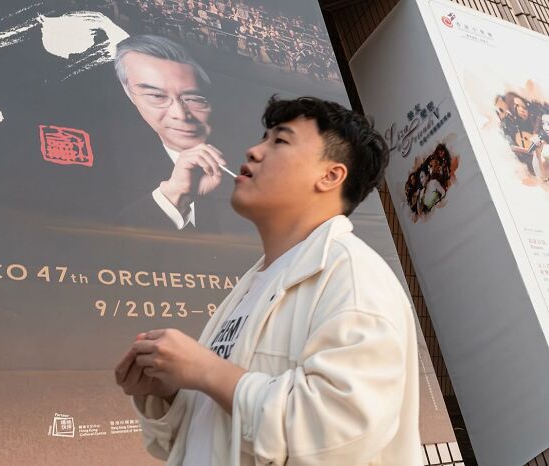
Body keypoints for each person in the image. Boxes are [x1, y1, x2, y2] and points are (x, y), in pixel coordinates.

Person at [115, 96, 421, 465]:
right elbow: (212, 436)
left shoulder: (353, 277)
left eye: (280, 140)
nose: (254, 150)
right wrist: (167, 393)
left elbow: (337, 434)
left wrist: (206, 371)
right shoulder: (255, 282)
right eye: (263, 138)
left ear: (330, 176)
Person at [113, 34, 227, 231]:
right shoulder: (114, 165)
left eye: (193, 99)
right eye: (156, 96)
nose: (180, 115)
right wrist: (174, 195)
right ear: (129, 94)